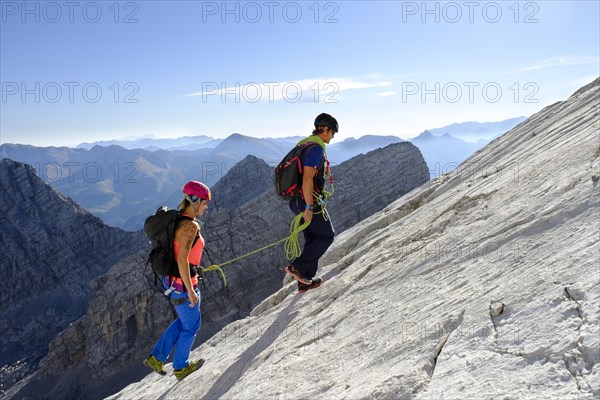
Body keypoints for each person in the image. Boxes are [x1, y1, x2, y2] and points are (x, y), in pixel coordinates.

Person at [143, 181, 211, 381]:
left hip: (173, 281)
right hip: (183, 285)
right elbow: (182, 259)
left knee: (184, 321)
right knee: (191, 326)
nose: (206, 208)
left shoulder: (178, 220)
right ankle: (181, 367)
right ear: (195, 200)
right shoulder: (189, 226)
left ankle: (156, 357)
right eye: (205, 203)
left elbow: (183, 258)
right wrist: (190, 290)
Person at [285, 113, 337, 293]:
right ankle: (298, 267)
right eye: (332, 132)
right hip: (308, 201)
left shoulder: (304, 145)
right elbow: (307, 178)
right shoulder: (315, 149)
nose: (333, 136)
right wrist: (309, 206)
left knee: (312, 238)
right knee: (327, 236)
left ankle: (304, 280)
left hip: (295, 200)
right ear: (325, 130)